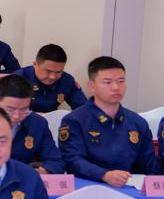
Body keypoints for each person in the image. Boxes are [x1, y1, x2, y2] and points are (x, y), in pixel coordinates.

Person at [58, 56, 156, 184]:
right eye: (107, 82)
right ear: (91, 86)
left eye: (121, 81)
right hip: (88, 186)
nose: (116, 87)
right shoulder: (74, 120)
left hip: (129, 187)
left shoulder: (138, 122)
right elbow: (72, 160)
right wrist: (104, 175)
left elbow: (149, 166)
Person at [16, 44, 88, 113]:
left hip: (52, 119)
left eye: (59, 72)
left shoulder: (67, 80)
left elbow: (84, 109)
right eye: (48, 71)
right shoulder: (18, 78)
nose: (53, 77)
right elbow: (10, 111)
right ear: (35, 64)